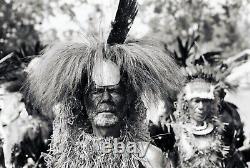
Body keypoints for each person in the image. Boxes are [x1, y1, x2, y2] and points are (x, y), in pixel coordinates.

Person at [26, 0, 182, 167]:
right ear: (82, 100)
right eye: (96, 91)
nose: (106, 98)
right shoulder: (66, 160)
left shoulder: (150, 158)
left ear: (128, 98)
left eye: (114, 91)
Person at [172, 65, 246, 168]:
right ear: (186, 103)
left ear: (212, 103)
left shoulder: (223, 132)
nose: (201, 107)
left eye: (205, 101)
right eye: (196, 101)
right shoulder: (176, 133)